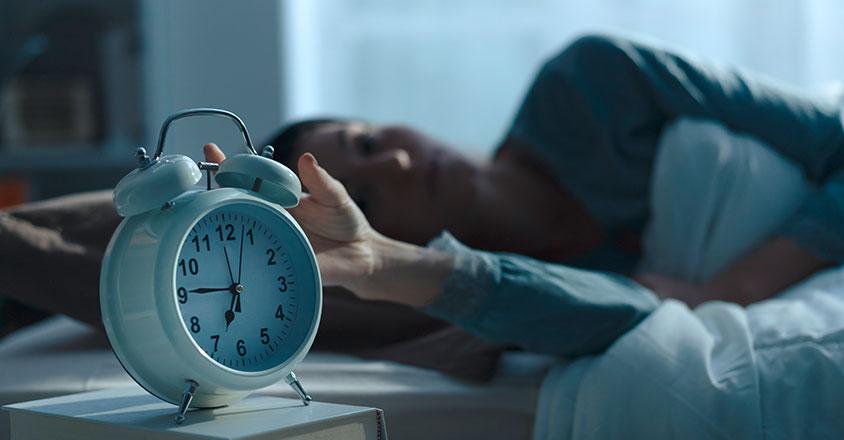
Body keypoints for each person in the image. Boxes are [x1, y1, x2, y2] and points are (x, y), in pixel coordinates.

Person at [2, 33, 843, 356]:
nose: (398, 166)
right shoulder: (491, 294)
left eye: (369, 142)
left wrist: (738, 290)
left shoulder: (596, 86)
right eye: (370, 188)